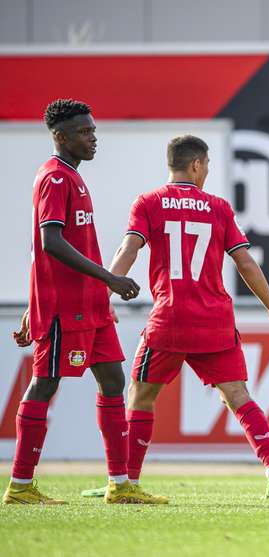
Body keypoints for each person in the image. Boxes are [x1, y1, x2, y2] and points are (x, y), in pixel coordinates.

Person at [105, 135, 269, 499]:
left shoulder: (149, 202)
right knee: (237, 394)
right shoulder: (219, 207)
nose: (207, 171)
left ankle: (127, 480)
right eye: (206, 165)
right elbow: (245, 262)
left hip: (170, 318)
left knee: (141, 396)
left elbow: (129, 249)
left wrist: (104, 293)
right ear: (195, 165)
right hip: (214, 320)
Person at [3, 99, 159, 505]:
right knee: (45, 383)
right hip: (65, 309)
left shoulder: (72, 177)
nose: (93, 138)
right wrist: (110, 278)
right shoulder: (55, 178)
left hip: (92, 308)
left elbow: (45, 253)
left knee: (113, 380)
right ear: (60, 136)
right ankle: (20, 485)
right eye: (84, 131)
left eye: (93, 130)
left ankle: (119, 483)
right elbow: (50, 243)